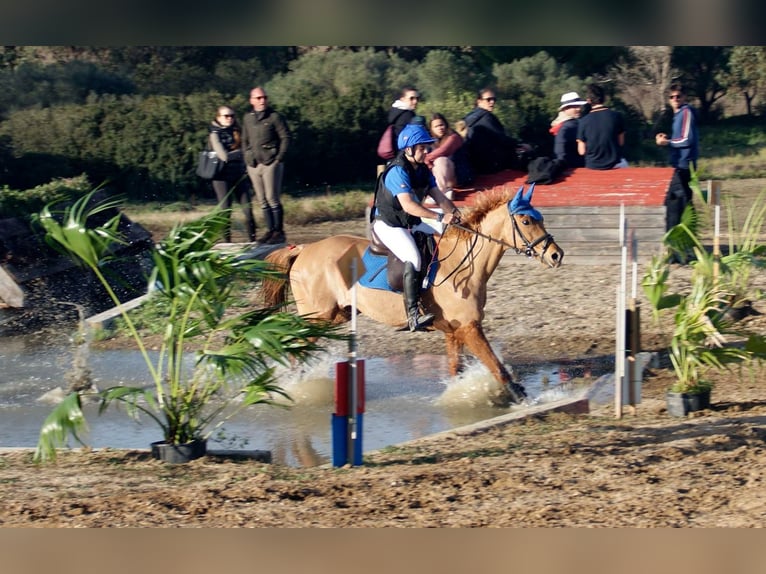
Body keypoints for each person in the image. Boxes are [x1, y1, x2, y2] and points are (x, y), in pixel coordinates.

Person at [372, 124, 461, 332]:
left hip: (409, 222)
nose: (426, 151)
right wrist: (440, 216)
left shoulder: (422, 170)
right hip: (388, 224)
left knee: (445, 239)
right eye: (422, 147)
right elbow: (409, 206)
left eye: (427, 147)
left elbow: (439, 197)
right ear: (409, 149)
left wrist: (456, 215)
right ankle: (412, 316)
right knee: (414, 257)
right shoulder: (397, 171)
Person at [242, 86, 290, 244]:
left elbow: (285, 137)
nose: (262, 101)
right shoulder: (248, 118)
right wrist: (246, 156)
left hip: (271, 162)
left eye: (264, 97)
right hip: (254, 164)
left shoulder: (274, 117)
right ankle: (269, 231)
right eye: (258, 98)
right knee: (261, 199)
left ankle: (278, 231)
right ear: (251, 100)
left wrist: (279, 158)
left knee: (272, 198)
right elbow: (244, 139)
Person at [208, 105, 256, 243]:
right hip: (221, 177)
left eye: (232, 116)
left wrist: (240, 153)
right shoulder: (214, 134)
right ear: (218, 118)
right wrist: (241, 153)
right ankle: (227, 242)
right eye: (226, 116)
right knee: (225, 212)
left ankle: (253, 241)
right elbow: (224, 156)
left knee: (248, 210)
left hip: (239, 174)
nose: (230, 119)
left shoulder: (238, 131)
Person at [656, 83, 699, 232]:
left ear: (684, 97)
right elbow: (680, 138)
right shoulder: (677, 114)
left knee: (683, 205)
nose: (675, 99)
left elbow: (687, 139)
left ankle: (687, 239)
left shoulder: (686, 112)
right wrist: (668, 138)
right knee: (679, 204)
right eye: (672, 97)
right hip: (677, 164)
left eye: (678, 96)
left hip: (685, 165)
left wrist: (667, 142)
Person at [462, 88, 532, 175]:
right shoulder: (486, 117)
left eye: (494, 99)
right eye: (488, 99)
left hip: (474, 163)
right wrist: (520, 144)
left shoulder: (468, 117)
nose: (492, 102)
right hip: (489, 164)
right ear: (479, 101)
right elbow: (501, 138)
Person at [576, 83, 628, 170]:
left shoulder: (583, 121)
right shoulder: (617, 116)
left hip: (592, 166)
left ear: (588, 101)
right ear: (605, 98)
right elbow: (621, 142)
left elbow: (582, 151)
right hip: (614, 164)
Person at [424, 113, 473, 200]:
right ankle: (446, 191)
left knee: (441, 161)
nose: (440, 128)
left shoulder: (454, 137)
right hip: (442, 177)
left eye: (441, 125)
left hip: (458, 175)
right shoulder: (430, 142)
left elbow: (443, 151)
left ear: (446, 125)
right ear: (431, 129)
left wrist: (426, 159)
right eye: (436, 126)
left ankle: (439, 193)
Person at [549, 91, 587, 168]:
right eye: (574, 106)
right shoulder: (569, 126)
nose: (578, 109)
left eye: (579, 106)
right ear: (565, 109)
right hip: (574, 168)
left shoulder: (561, 123)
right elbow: (560, 152)